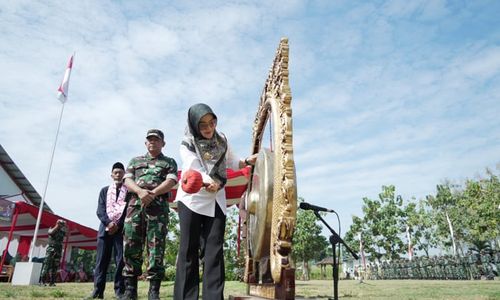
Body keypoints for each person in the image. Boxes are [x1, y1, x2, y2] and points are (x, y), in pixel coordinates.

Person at [174, 103, 256, 300]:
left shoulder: (222, 140)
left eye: (212, 123)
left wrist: (246, 161)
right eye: (203, 125)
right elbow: (195, 169)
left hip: (216, 200)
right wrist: (211, 182)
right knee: (189, 251)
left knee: (214, 252)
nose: (209, 128)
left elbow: (231, 160)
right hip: (192, 200)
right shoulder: (187, 143)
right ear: (194, 126)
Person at [121, 129, 178, 300]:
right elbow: (127, 179)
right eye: (149, 140)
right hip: (135, 206)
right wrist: (140, 192)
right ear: (145, 143)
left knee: (156, 247)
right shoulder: (135, 160)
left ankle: (154, 291)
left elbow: (171, 181)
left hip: (158, 207)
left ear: (163, 143)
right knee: (131, 244)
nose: (152, 142)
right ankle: (130, 289)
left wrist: (152, 194)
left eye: (156, 140)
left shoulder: (169, 162)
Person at [86, 162, 128, 299]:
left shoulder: (128, 192)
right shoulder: (104, 190)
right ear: (111, 175)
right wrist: (109, 223)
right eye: (115, 172)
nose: (118, 174)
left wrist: (117, 225)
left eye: (121, 172)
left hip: (120, 231)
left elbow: (128, 211)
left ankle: (120, 291)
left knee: (120, 261)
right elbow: (100, 210)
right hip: (105, 231)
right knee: (101, 262)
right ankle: (98, 291)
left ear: (124, 174)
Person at [40, 219, 66, 286]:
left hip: (58, 250)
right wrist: (57, 225)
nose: (61, 226)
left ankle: (52, 282)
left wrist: (65, 226)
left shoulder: (62, 232)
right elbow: (50, 233)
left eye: (62, 225)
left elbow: (66, 234)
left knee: (55, 266)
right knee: (47, 265)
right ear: (57, 223)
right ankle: (42, 281)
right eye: (61, 224)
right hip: (51, 250)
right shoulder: (51, 229)